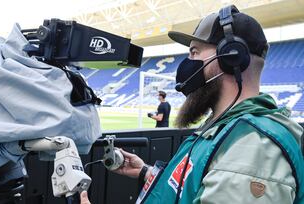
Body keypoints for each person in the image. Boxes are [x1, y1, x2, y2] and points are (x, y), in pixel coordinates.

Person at [81, 5, 303, 204]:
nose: (187, 62)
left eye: (194, 52)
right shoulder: (229, 128)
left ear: (230, 56)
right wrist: (146, 173)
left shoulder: (252, 149)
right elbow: (202, 183)